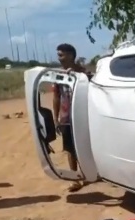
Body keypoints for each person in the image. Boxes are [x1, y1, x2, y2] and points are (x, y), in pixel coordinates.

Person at [54, 43, 89, 192]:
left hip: (83, 116)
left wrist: (77, 75)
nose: (59, 58)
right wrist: (56, 118)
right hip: (66, 118)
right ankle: (75, 178)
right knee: (69, 149)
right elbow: (56, 96)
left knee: (85, 146)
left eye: (61, 55)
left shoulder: (83, 73)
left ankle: (88, 173)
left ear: (71, 55)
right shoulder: (58, 75)